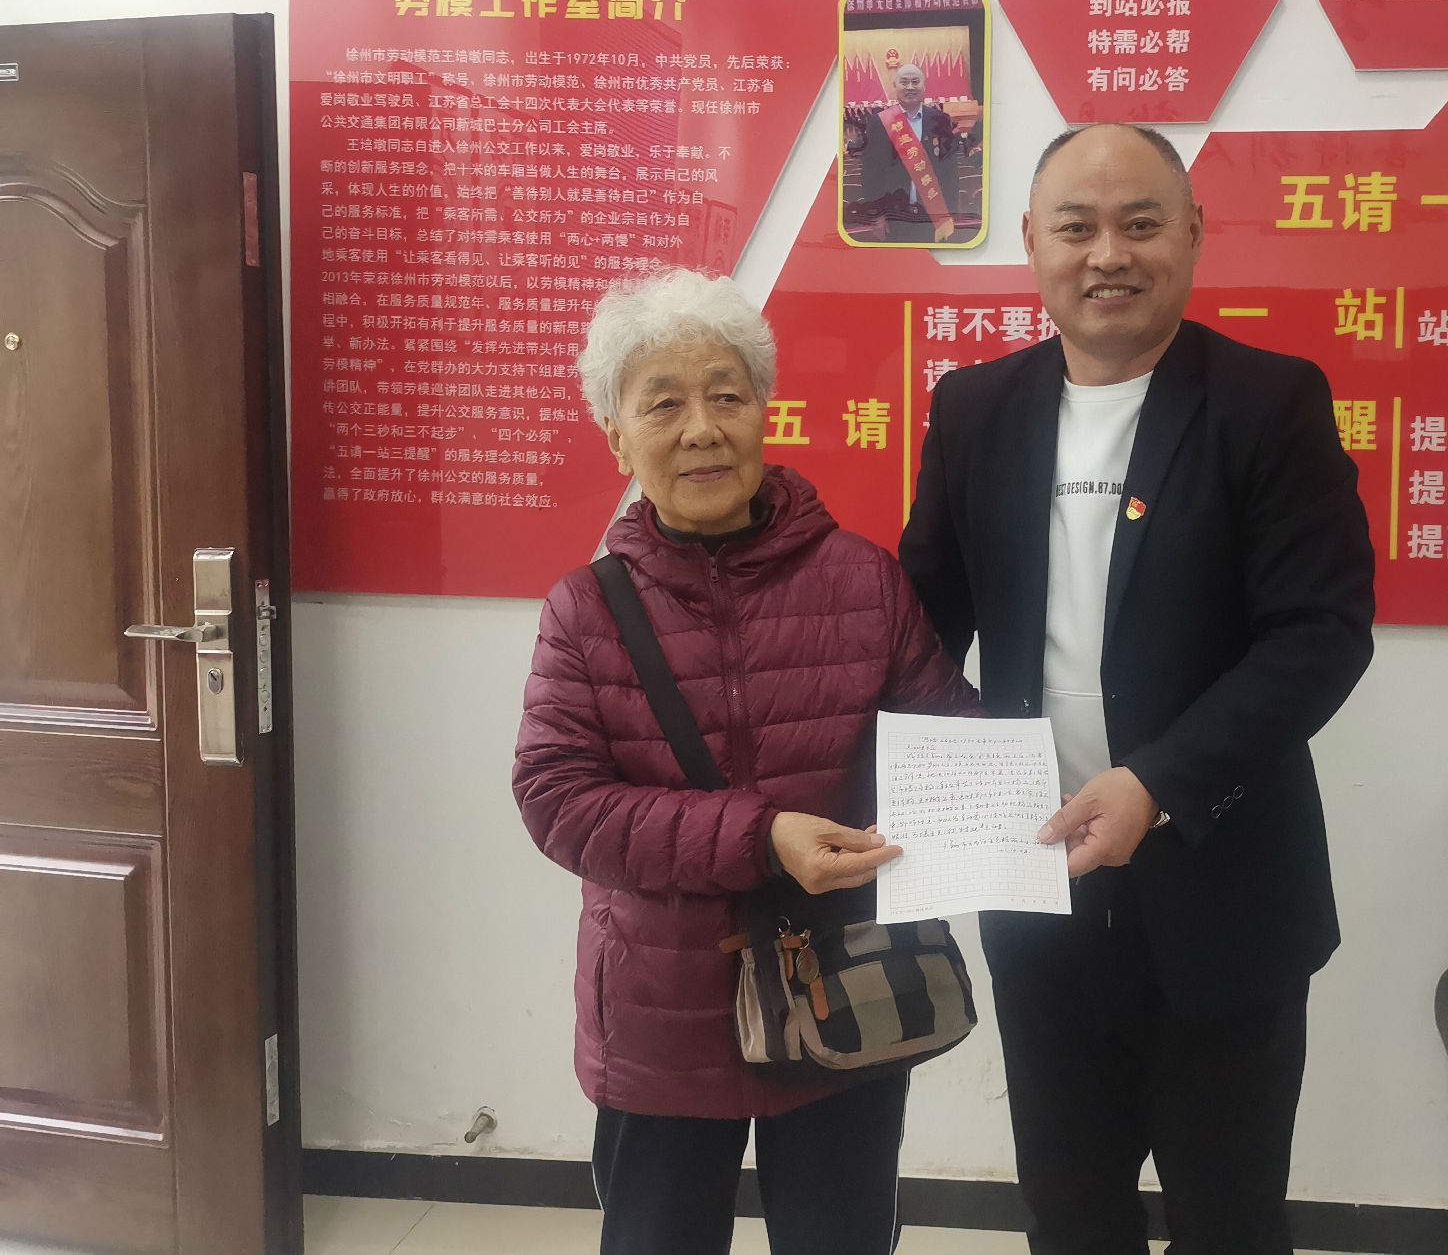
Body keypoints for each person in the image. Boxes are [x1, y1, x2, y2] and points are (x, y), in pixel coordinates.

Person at [899, 123, 1376, 1254]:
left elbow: (1318, 636)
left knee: (1228, 1218)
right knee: (1069, 1214)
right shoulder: (975, 409)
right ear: (1032, 241)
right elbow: (919, 624)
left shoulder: (1268, 403)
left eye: (1140, 223)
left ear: (1193, 235)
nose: (1107, 253)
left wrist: (1157, 783)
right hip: (1039, 884)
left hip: (1225, 890)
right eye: (1077, 227)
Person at [515, 268, 981, 1255]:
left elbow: (946, 738)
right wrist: (763, 837)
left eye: (726, 395)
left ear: (764, 411)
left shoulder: (862, 580)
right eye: (664, 404)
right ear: (616, 436)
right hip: (660, 1011)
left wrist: (1025, 795)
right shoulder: (584, 610)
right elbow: (558, 801)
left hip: (840, 985)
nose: (701, 429)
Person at [848, 62, 962, 242]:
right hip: (894, 217)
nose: (910, 87)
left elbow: (950, 172)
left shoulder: (940, 119)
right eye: (904, 82)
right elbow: (871, 173)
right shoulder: (879, 122)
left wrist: (950, 214)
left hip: (932, 217)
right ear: (895, 86)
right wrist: (876, 215)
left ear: (924, 86)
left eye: (915, 82)